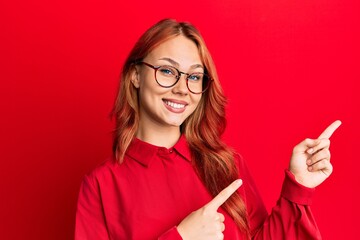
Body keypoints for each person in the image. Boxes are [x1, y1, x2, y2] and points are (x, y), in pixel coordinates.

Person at [75, 18, 341, 240]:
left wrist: (299, 186)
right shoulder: (101, 185)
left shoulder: (228, 165)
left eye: (193, 76)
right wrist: (182, 237)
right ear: (135, 75)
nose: (182, 89)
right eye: (167, 71)